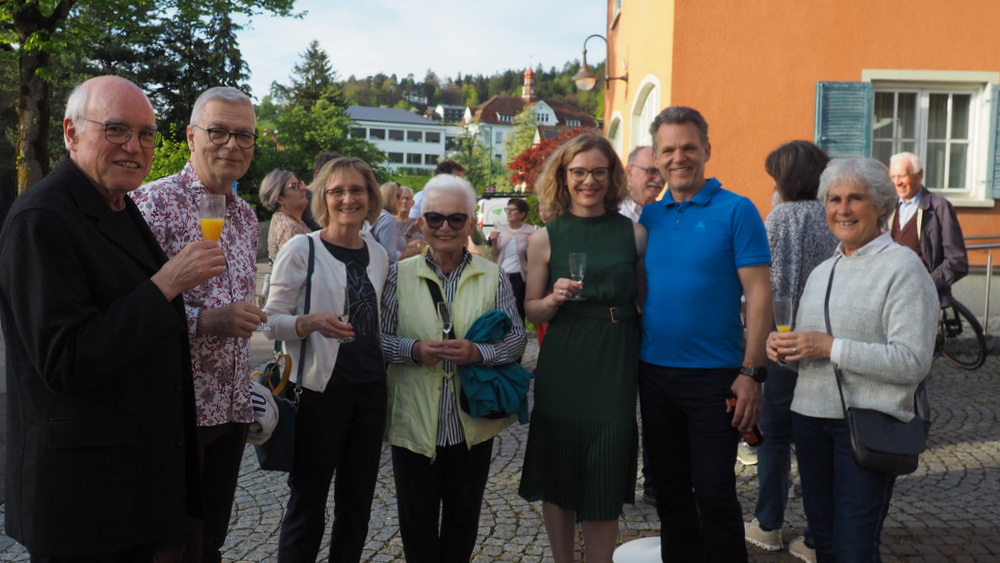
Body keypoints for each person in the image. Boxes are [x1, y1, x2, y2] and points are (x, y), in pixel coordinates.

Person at [0, 75, 225, 561]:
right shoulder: (42, 217)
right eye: (117, 129)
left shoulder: (117, 203)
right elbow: (65, 361)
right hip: (85, 499)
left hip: (129, 487)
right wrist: (166, 284)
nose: (134, 147)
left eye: (146, 134)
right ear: (71, 132)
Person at [767, 157, 938, 562]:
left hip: (867, 424)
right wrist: (784, 351)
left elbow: (913, 362)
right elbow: (810, 353)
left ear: (882, 206)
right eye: (834, 199)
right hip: (809, 419)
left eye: (855, 198)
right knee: (824, 545)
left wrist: (831, 347)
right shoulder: (822, 271)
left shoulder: (904, 268)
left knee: (853, 549)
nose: (842, 209)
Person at [133, 86, 263, 563]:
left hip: (231, 408)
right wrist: (205, 321)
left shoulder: (246, 216)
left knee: (211, 542)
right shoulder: (152, 204)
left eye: (244, 135)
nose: (232, 144)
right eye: (218, 131)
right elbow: (129, 309)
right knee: (169, 547)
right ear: (191, 136)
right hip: (176, 412)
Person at [639, 106, 771, 562]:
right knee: (670, 492)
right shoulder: (649, 218)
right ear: (656, 157)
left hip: (716, 377)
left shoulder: (737, 210)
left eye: (688, 147)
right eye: (668, 150)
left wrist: (752, 373)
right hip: (654, 374)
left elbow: (760, 294)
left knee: (714, 493)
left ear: (707, 150)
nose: (679, 157)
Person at [381, 174, 526, 562]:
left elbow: (516, 341)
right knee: (417, 525)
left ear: (471, 223)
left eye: (456, 218)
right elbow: (377, 342)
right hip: (413, 418)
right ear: (421, 222)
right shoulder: (398, 275)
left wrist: (477, 353)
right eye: (435, 218)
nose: (445, 227)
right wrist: (414, 349)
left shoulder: (493, 275)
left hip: (470, 421)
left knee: (463, 523)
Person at [518, 134, 648, 563]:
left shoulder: (634, 234)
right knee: (560, 465)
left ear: (612, 177)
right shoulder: (545, 237)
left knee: (606, 464)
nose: (588, 181)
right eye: (578, 172)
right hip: (565, 355)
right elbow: (532, 309)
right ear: (563, 176)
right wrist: (553, 299)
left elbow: (645, 301)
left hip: (614, 356)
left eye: (598, 172)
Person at [265, 157, 390, 563]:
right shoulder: (303, 249)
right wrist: (309, 322)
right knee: (308, 503)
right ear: (323, 198)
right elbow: (270, 322)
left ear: (370, 197)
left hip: (370, 391)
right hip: (318, 393)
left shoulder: (378, 253)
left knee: (357, 505)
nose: (347, 199)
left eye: (356, 190)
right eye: (337, 191)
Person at [744, 141, 837, 560]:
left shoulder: (782, 217)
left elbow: (770, 284)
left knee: (775, 435)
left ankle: (768, 523)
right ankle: (818, 536)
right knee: (819, 438)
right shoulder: (833, 213)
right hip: (828, 343)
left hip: (784, 342)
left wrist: (759, 343)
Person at [887, 152, 968, 306]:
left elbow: (957, 261)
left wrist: (925, 286)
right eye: (893, 176)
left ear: (920, 174)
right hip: (892, 298)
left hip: (926, 300)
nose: (897, 182)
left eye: (903, 175)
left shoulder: (939, 207)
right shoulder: (888, 208)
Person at [488, 197, 536, 320]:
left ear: (522, 214)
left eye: (512, 209)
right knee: (500, 310)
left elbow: (534, 256)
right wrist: (494, 243)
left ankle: (519, 331)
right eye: (507, 209)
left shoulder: (530, 231)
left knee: (518, 311)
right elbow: (494, 256)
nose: (508, 212)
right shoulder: (501, 229)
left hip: (519, 277)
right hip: (501, 275)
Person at [260, 168, 313, 261]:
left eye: (300, 184)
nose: (303, 188)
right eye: (294, 186)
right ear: (279, 199)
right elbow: (296, 266)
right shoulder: (289, 227)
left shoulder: (285, 220)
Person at [374, 181, 424, 262]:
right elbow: (391, 256)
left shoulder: (379, 215)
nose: (403, 202)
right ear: (393, 199)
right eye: (400, 198)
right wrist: (415, 251)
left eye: (407, 198)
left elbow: (395, 246)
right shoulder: (388, 219)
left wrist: (409, 232)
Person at [619, 145, 664, 221]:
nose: (659, 179)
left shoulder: (669, 216)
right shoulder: (613, 212)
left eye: (663, 173)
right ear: (629, 171)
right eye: (651, 171)